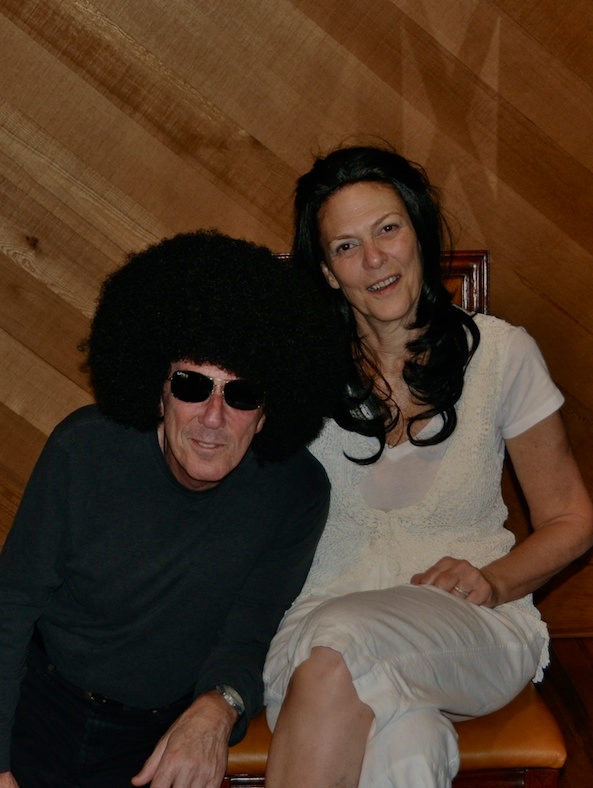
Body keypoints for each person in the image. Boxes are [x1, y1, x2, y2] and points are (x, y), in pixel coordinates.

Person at [263, 145, 593, 787]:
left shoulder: (500, 355)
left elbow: (572, 519)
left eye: (387, 229)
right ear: (327, 272)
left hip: (468, 629)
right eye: (347, 246)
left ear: (418, 233)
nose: (374, 258)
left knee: (337, 650)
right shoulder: (296, 373)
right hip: (314, 625)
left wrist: (493, 581)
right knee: (409, 745)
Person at [0, 230, 347, 788]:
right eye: (192, 385)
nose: (213, 416)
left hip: (159, 735)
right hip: (39, 704)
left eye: (241, 395)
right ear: (159, 391)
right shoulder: (84, 451)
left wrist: (219, 706)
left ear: (266, 413)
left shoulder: (295, 493)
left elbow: (251, 630)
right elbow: (11, 606)